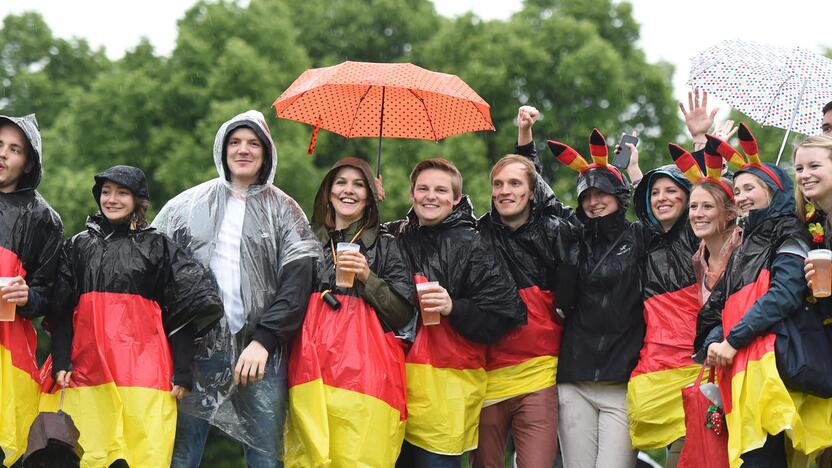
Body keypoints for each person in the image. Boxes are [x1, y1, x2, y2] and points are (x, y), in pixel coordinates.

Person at [153, 110, 321, 468]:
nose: (243, 150)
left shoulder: (285, 210)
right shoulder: (186, 207)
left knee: (266, 458)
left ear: (267, 153)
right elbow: (156, 267)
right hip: (195, 353)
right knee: (178, 454)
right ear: (222, 149)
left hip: (260, 354)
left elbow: (297, 282)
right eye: (235, 142)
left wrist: (265, 339)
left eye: (253, 143)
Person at [39, 165, 223, 467]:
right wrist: (60, 359)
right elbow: (60, 310)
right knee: (89, 455)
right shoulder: (78, 247)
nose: (112, 199)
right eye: (106, 192)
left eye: (122, 192)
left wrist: (183, 371)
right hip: (88, 373)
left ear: (138, 200)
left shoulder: (159, 248)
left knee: (143, 455)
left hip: (144, 377)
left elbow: (185, 311)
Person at [695, 125, 832, 467]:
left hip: (782, 365)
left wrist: (734, 338)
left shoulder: (791, 229)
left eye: (749, 188)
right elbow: (717, 307)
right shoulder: (741, 243)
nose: (739, 196)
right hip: (746, 372)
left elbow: (785, 293)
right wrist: (715, 341)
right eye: (736, 190)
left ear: (773, 190)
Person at [388, 158, 526, 468]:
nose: (431, 196)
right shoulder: (396, 236)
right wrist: (372, 198)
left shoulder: (474, 246)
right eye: (423, 189)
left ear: (456, 199)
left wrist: (455, 307)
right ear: (411, 195)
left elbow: (504, 316)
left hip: (446, 389)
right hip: (395, 384)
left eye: (440, 189)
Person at [284, 157, 414, 467]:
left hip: (365, 380)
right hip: (309, 373)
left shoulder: (385, 246)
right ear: (328, 191)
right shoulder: (305, 241)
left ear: (370, 194)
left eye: (359, 184)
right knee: (308, 457)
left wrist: (368, 279)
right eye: (341, 182)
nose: (349, 191)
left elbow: (402, 314)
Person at [470, 108, 577, 468]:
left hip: (538, 372)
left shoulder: (553, 229)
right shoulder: (477, 234)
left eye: (515, 184)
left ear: (532, 193)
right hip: (486, 372)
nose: (505, 191)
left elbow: (549, 196)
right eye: (498, 184)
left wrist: (525, 137)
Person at [545, 128, 647, 468]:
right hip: (575, 376)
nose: (593, 201)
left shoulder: (639, 237)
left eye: (602, 192)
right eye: (587, 195)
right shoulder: (572, 234)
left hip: (623, 378)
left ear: (620, 195)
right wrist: (525, 138)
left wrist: (634, 169)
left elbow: (663, 212)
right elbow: (539, 201)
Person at [0, 114, 63, 467]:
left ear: (27, 163)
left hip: (8, 357)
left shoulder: (43, 219)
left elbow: (52, 296)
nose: (3, 155)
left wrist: (29, 298)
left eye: (14, 149)